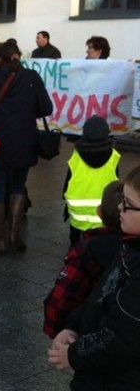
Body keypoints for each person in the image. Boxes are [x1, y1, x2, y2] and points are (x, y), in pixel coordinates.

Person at [48, 165, 140, 390]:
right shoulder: (130, 246)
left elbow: (122, 337)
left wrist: (74, 354)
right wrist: (73, 326)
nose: (120, 207)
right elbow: (101, 293)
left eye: (128, 204)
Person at [0, 41, 53, 254]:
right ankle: (14, 235)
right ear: (18, 56)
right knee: (19, 185)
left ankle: (0, 240)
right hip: (25, 140)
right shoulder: (31, 77)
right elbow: (46, 108)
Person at [44, 180, 123, 339]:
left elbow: (62, 298)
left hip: (87, 334)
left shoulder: (86, 251)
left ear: (99, 212)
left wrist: (58, 332)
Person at [64, 115, 120, 247]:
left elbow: (67, 183)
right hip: (103, 214)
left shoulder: (75, 156)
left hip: (78, 215)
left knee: (76, 244)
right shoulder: (114, 156)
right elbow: (116, 186)